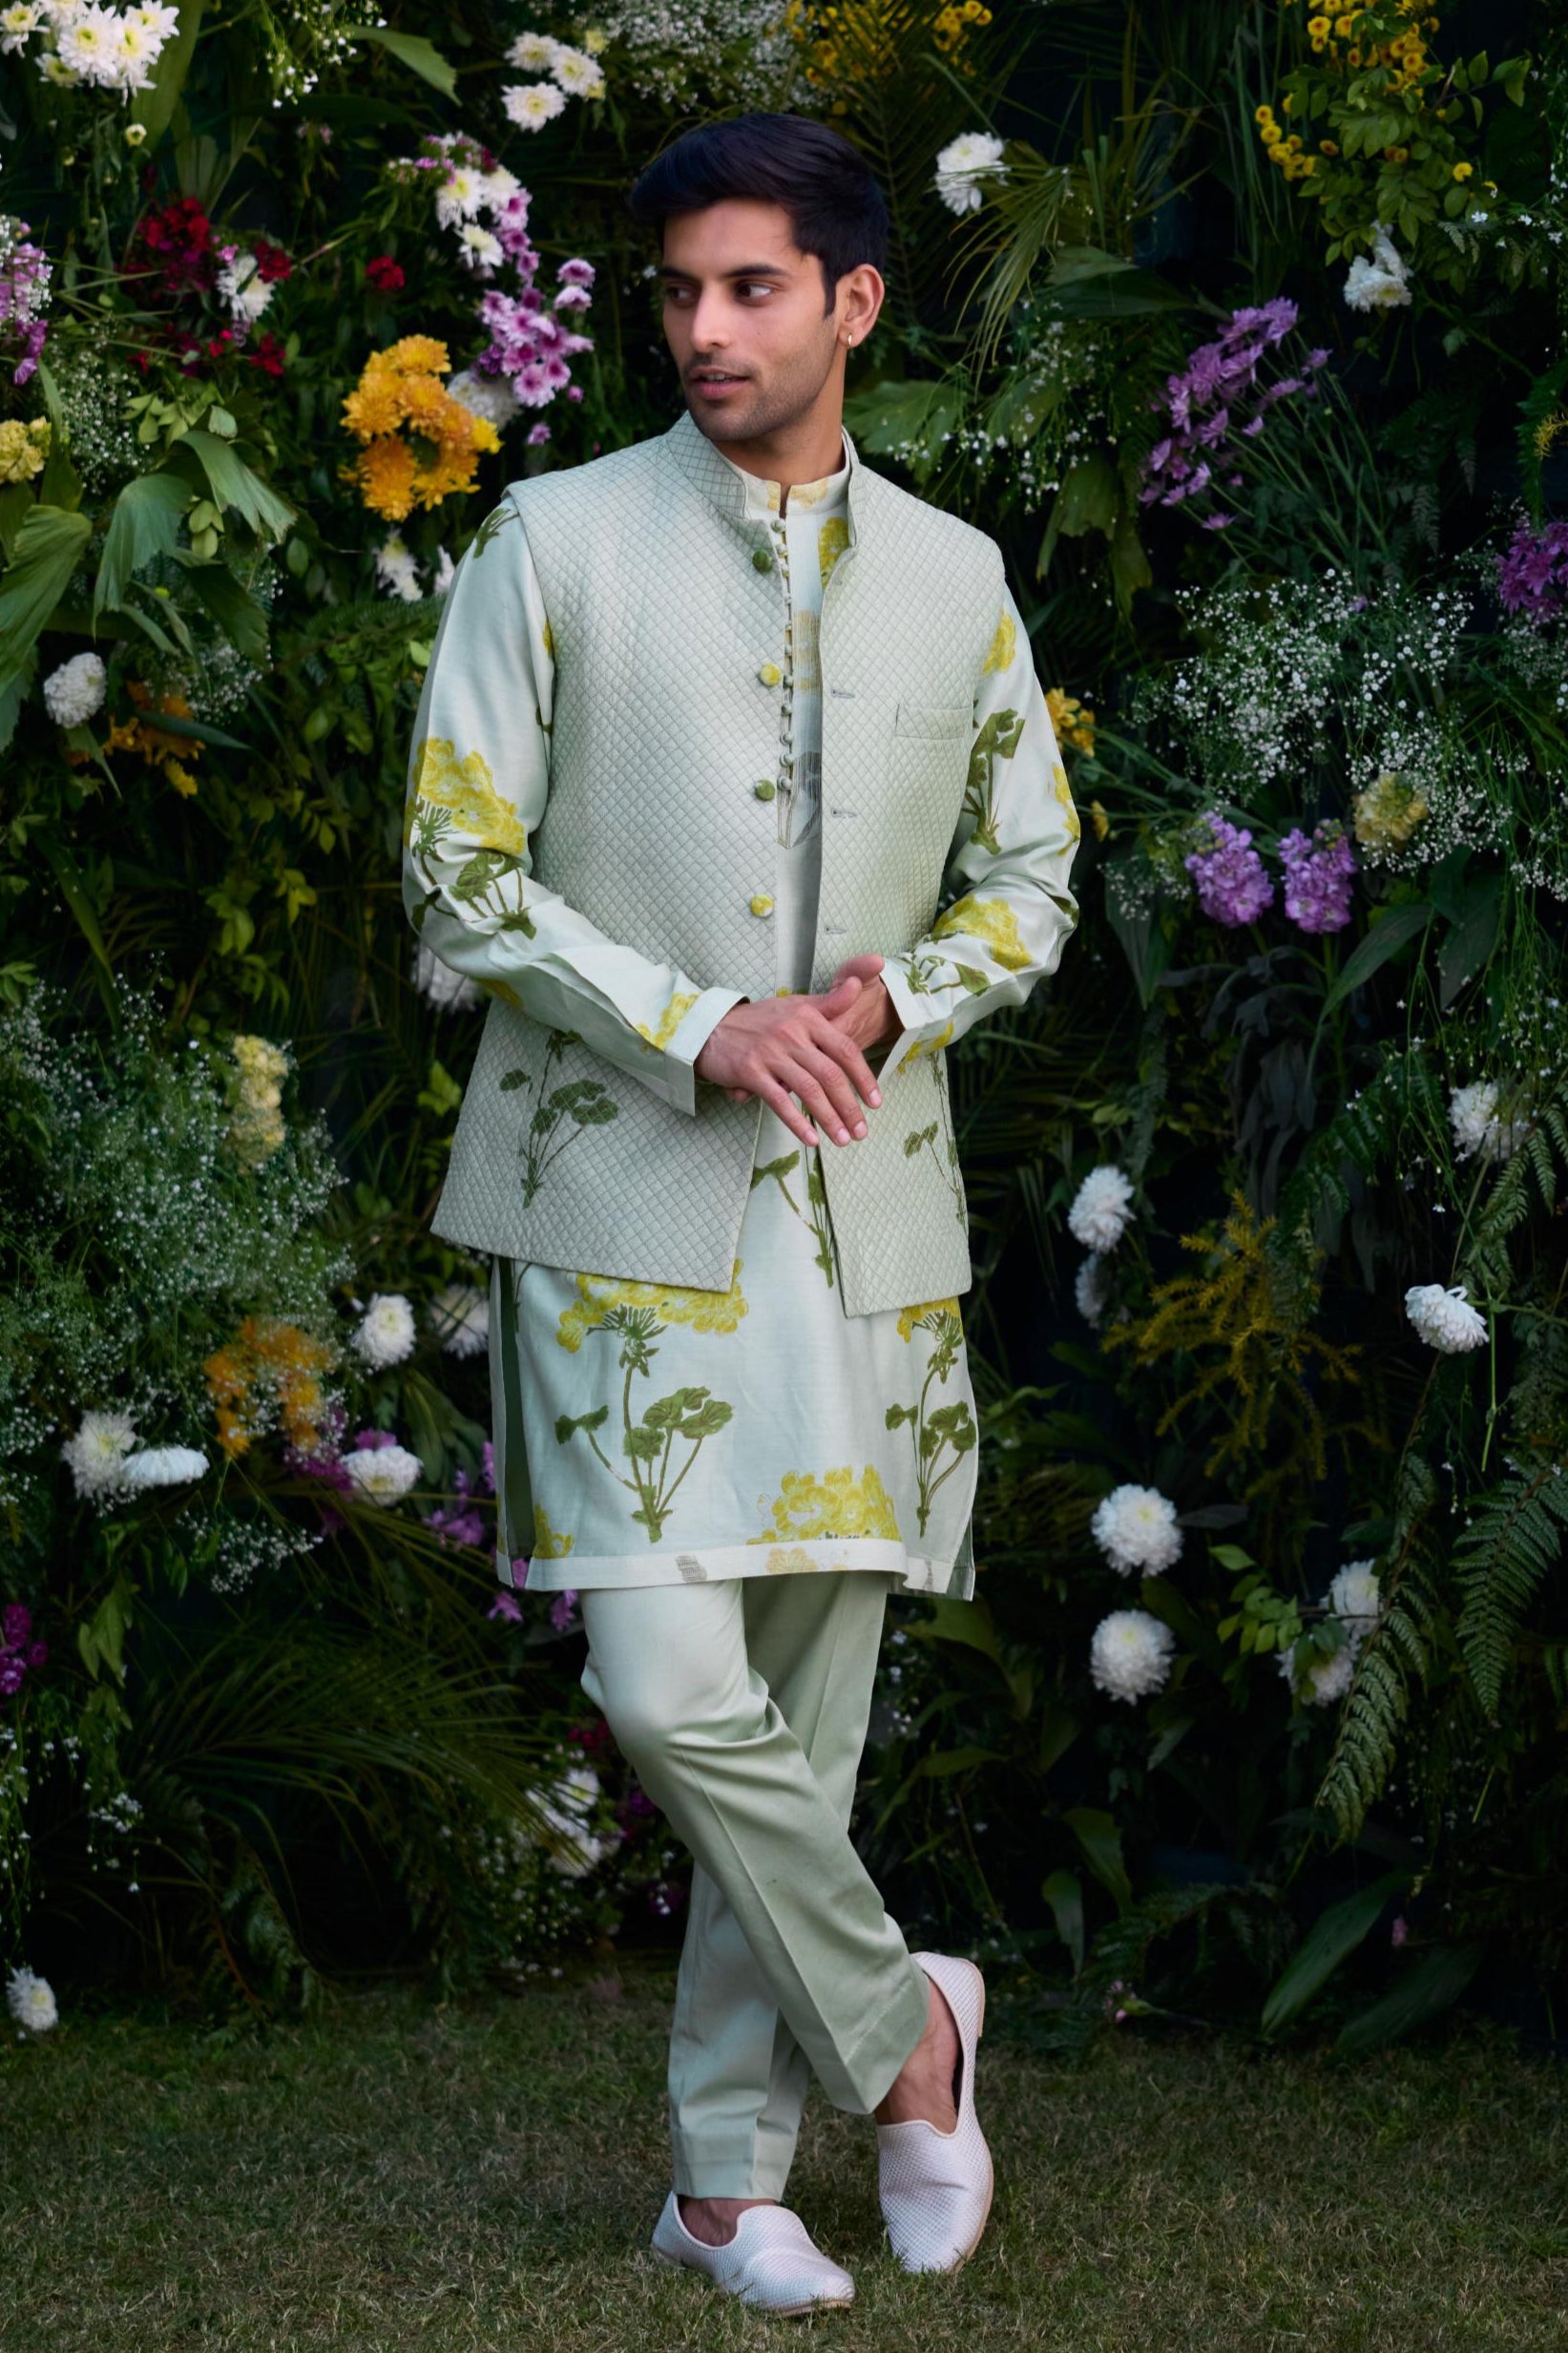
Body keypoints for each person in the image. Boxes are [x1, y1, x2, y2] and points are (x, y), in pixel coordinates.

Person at [402, 111, 1080, 2316]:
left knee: (801, 1734)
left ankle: (719, 2189)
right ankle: (914, 2040)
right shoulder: (555, 542)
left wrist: (903, 992)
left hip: (869, 1227)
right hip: (619, 1205)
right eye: (680, 290)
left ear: (853, 301)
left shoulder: (958, 577)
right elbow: (459, 870)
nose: (704, 326)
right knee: (665, 1686)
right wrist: (699, 1023)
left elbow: (1036, 877)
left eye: (751, 286)